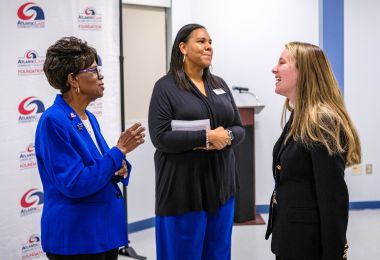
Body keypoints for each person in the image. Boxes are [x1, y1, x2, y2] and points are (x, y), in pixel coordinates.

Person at [35, 36, 145, 259]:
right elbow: (74, 183)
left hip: (102, 233)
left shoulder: (88, 117)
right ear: (73, 79)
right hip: (77, 238)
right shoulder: (53, 120)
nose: (100, 76)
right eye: (94, 70)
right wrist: (119, 151)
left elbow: (101, 164)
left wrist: (120, 167)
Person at [148, 23, 245, 260]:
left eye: (210, 42)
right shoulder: (165, 87)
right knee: (182, 253)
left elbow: (239, 129)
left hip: (221, 185)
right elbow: (159, 137)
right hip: (183, 188)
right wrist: (205, 137)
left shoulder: (219, 85)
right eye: (201, 41)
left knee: (218, 252)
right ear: (183, 47)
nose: (208, 46)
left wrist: (227, 136)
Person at [265, 41, 361, 260]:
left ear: (304, 71)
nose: (274, 69)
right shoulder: (300, 115)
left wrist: (334, 254)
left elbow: (332, 196)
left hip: (309, 245)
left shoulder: (323, 121)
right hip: (291, 238)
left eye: (282, 62)